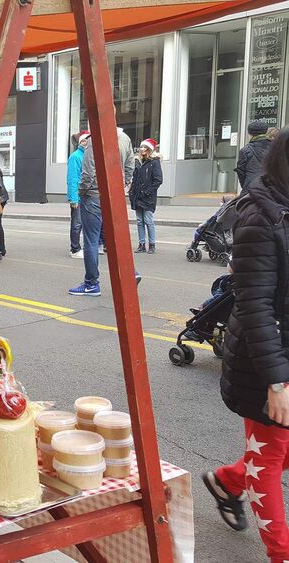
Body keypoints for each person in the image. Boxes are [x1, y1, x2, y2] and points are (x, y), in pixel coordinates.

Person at [205, 127, 289, 563]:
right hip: (266, 362)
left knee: (277, 452)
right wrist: (277, 381)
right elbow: (255, 305)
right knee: (270, 457)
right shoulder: (261, 217)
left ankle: (227, 480)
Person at [68, 124, 136, 297]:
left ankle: (91, 283)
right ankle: (131, 273)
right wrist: (124, 183)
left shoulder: (95, 140)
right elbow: (130, 165)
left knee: (91, 239)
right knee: (114, 238)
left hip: (94, 195)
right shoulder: (125, 138)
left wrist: (81, 192)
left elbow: (88, 171)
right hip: (115, 195)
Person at [130, 138, 163, 254]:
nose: (142, 149)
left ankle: (152, 244)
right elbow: (135, 178)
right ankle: (142, 244)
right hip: (137, 196)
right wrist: (132, 192)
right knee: (139, 221)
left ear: (149, 149)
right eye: (141, 147)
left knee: (148, 220)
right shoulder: (138, 161)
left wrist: (147, 192)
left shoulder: (154, 162)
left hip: (148, 197)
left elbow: (158, 180)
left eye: (145, 147)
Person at [67, 132, 89, 259]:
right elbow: (73, 178)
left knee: (86, 223)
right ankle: (74, 248)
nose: (87, 143)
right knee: (77, 223)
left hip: (88, 196)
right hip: (79, 197)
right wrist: (73, 198)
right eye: (84, 140)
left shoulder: (89, 155)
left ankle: (85, 247)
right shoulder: (75, 156)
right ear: (80, 142)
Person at [236, 120, 273, 193]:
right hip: (272, 188)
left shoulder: (245, 150)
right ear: (266, 132)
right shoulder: (276, 148)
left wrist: (245, 186)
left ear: (250, 134)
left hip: (251, 188)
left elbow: (241, 172)